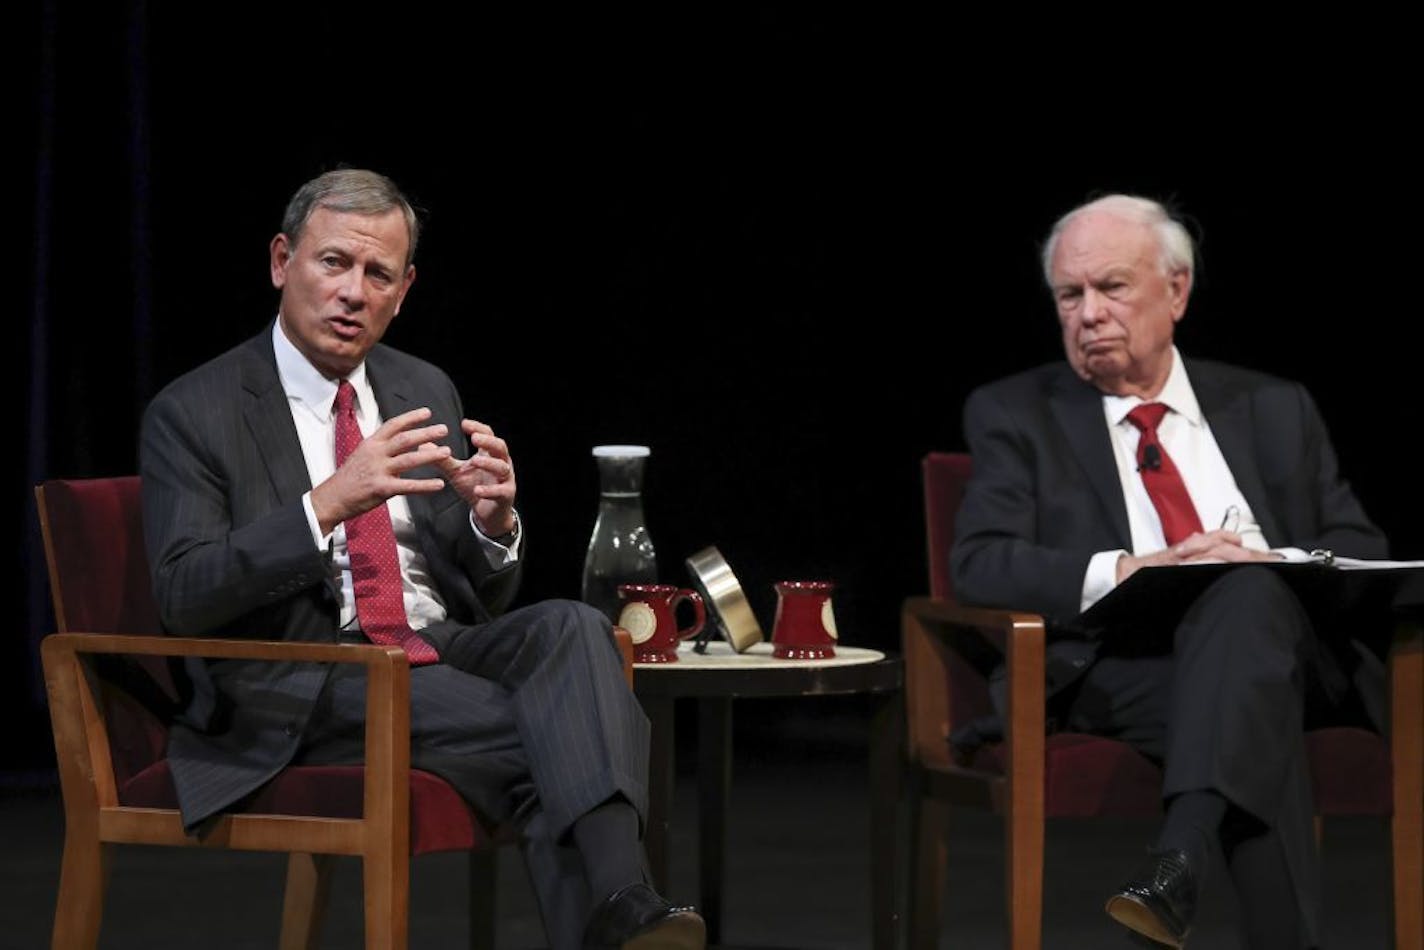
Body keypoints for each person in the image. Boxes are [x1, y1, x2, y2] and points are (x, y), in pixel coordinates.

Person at [139, 167, 705, 950]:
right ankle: (624, 906)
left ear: (403, 291)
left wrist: (492, 522)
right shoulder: (193, 411)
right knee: (567, 735)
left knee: (574, 630)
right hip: (301, 674)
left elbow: (484, 593)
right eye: (333, 262)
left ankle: (619, 905)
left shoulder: (419, 384)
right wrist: (329, 502)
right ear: (281, 262)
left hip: (433, 648)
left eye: (378, 274)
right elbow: (184, 592)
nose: (353, 292)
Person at [951, 194, 1388, 949]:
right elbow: (981, 561)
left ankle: (1177, 860)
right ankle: (1199, 879)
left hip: (1293, 653)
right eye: (1069, 295)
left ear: (1176, 291)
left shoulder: (1275, 406)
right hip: (1128, 666)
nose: (1089, 314)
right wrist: (1132, 567)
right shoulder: (1016, 413)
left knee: (1249, 602)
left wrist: (1266, 563)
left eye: (1111, 287)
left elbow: (1357, 543)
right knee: (1253, 704)